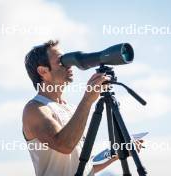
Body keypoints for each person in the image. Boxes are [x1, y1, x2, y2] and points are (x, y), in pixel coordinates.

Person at [22, 40, 141, 176]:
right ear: (43, 71)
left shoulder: (69, 108)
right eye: (61, 62)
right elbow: (64, 145)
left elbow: (84, 167)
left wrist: (118, 154)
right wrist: (87, 99)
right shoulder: (35, 109)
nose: (70, 65)